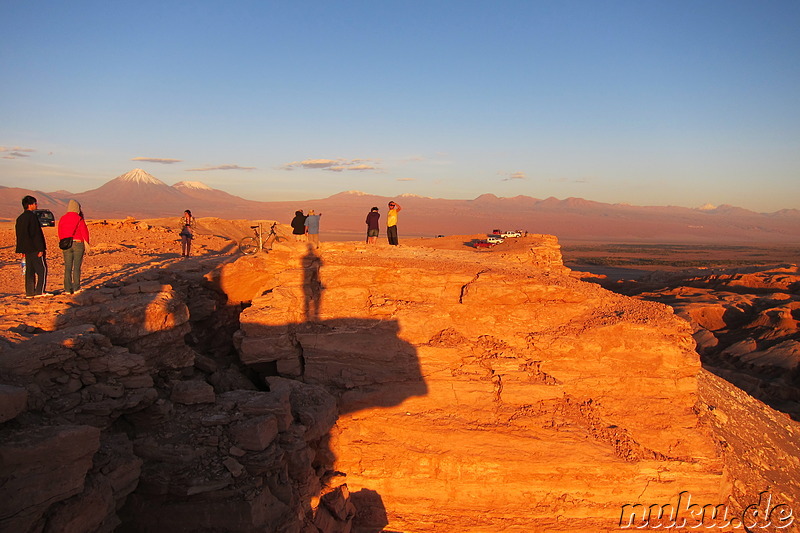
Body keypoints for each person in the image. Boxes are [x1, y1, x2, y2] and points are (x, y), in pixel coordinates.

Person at [15, 195, 50, 298]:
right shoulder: (32, 217)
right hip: (34, 249)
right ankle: (40, 291)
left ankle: (29, 292)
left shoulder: (20, 218)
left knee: (29, 271)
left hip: (25, 249)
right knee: (41, 270)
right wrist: (40, 249)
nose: (36, 205)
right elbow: (36, 234)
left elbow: (19, 235)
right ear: (30, 205)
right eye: (35, 203)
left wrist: (22, 249)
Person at [58, 199, 90, 294]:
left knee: (67, 267)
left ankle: (67, 289)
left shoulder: (63, 218)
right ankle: (76, 288)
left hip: (66, 244)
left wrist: (63, 241)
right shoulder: (79, 218)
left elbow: (60, 232)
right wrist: (87, 243)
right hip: (78, 244)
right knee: (76, 267)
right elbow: (84, 232)